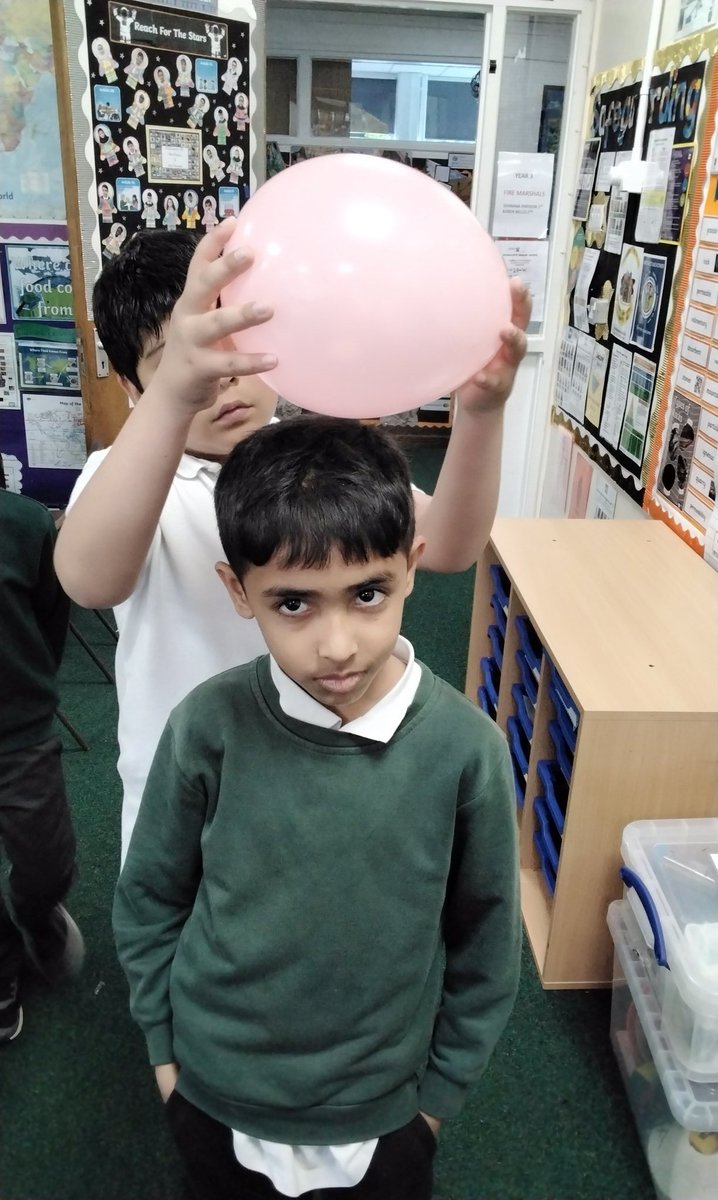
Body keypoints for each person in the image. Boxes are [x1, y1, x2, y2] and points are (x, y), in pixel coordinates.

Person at [113, 414, 521, 1200]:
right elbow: (151, 896)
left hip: (385, 1116)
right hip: (211, 1094)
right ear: (239, 592)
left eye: (367, 593)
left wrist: (435, 1105)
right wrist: (166, 1056)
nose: (337, 645)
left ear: (412, 568)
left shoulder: (467, 751)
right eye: (293, 604)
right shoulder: (206, 725)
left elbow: (486, 943)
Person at [55, 220, 530, 862]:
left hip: (327, 777)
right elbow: (88, 579)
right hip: (196, 800)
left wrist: (480, 414)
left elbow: (447, 544)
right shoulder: (134, 479)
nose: (224, 378)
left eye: (240, 344)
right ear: (135, 387)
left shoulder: (311, 458)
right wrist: (173, 400)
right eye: (185, 362)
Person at [0, 486, 84, 1044]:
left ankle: (29, 916)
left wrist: (30, 689)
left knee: (46, 865)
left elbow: (52, 620)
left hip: (18, 732)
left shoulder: (24, 522)